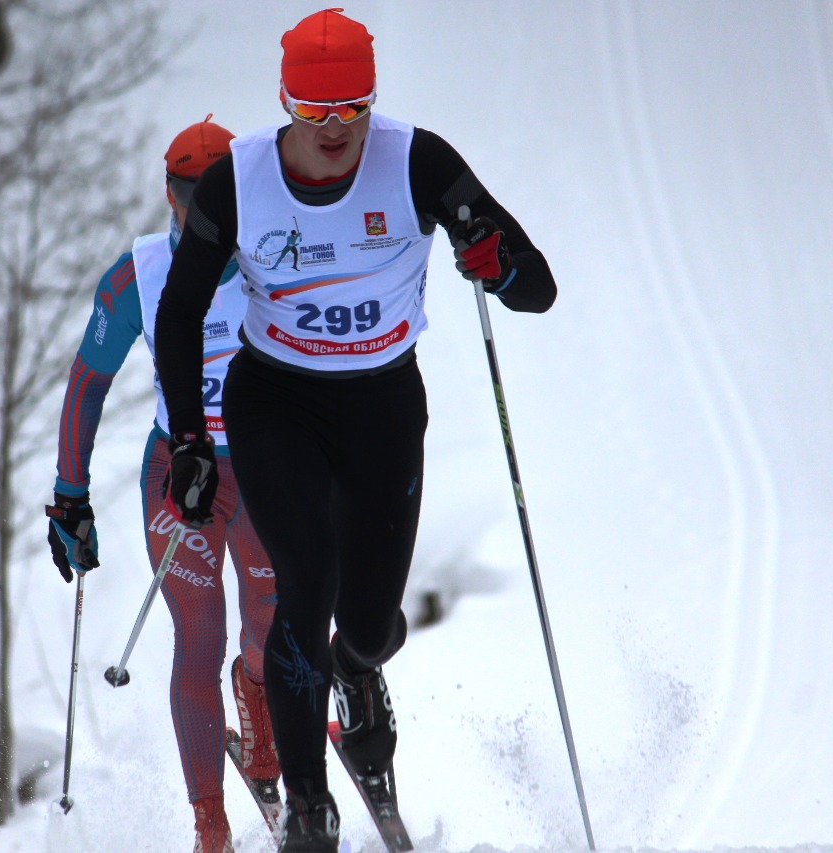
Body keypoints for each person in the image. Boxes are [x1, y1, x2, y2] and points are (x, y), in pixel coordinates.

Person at [152, 9, 558, 852]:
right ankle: (310, 808)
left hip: (381, 405)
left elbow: (536, 288)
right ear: (286, 104)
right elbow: (182, 310)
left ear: (373, 101)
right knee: (306, 581)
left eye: (352, 110)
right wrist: (190, 438)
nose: (335, 131)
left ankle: (360, 671)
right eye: (315, 113)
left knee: (367, 621)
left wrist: (497, 259)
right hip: (276, 404)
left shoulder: (419, 162)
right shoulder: (240, 178)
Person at [45, 116, 282, 853]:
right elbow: (88, 380)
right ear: (168, 192)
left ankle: (260, 702)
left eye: (217, 190)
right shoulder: (139, 275)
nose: (198, 204)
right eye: (187, 190)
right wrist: (70, 495)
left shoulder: (279, 254)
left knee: (272, 629)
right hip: (180, 475)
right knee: (197, 635)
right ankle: (210, 825)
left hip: (269, 464)